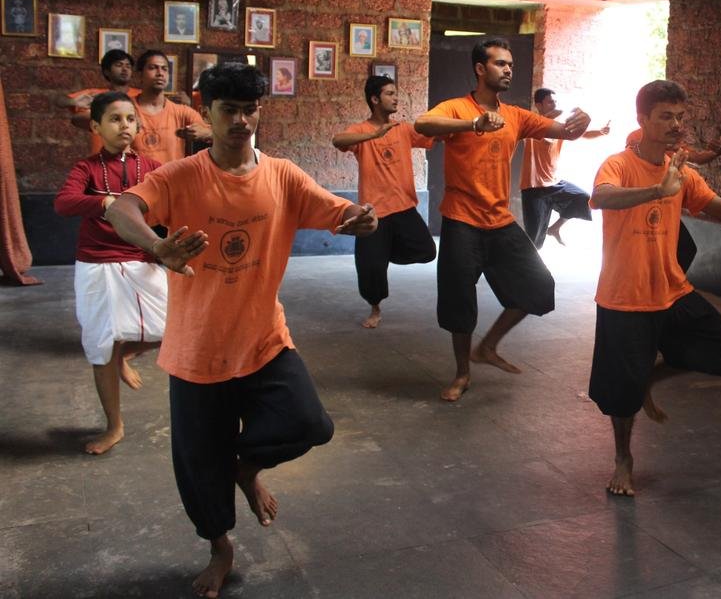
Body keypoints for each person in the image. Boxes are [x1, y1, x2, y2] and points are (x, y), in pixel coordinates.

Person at [106, 63, 378, 598]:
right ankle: (220, 547)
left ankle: (246, 467)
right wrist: (155, 245)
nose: (241, 120)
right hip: (196, 349)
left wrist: (357, 216)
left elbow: (334, 208)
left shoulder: (281, 174)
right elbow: (123, 207)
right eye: (228, 110)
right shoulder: (182, 175)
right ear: (205, 112)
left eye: (250, 109)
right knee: (197, 465)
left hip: (263, 340)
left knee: (309, 423)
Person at [589, 79, 721, 497]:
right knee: (620, 395)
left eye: (681, 117)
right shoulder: (617, 163)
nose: (676, 125)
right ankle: (623, 458)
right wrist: (656, 190)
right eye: (666, 116)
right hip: (625, 294)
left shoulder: (683, 172)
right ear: (643, 119)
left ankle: (648, 380)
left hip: (671, 289)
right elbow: (601, 197)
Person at [414, 37, 591, 402]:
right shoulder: (457, 108)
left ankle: (488, 346)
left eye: (510, 64)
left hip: (499, 221)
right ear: (480, 69)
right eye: (500, 63)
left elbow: (563, 132)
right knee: (459, 303)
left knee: (540, 288)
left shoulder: (516, 116)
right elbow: (423, 123)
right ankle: (462, 373)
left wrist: (579, 123)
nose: (508, 69)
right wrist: (472, 125)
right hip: (462, 220)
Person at [54, 91, 166, 455]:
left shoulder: (148, 168)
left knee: (176, 327)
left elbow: (175, 197)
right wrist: (103, 202)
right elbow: (64, 203)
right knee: (101, 345)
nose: (125, 126)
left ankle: (124, 354)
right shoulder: (85, 168)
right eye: (115, 119)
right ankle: (114, 426)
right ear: (96, 126)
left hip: (141, 258)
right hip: (97, 262)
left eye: (130, 119)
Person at [333, 75, 437, 328]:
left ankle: (384, 252)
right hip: (373, 212)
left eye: (395, 93)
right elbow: (338, 140)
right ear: (375, 99)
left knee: (427, 251)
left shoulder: (403, 128)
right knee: (370, 271)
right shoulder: (360, 130)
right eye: (390, 93)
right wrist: (372, 135)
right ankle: (375, 309)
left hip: (403, 207)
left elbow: (433, 137)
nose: (396, 98)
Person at [625, 126, 721, 272]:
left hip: (663, 208)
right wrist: (663, 144)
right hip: (640, 206)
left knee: (686, 249)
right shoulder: (636, 136)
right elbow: (635, 149)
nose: (674, 122)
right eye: (666, 116)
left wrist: (714, 153)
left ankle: (668, 286)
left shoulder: (673, 143)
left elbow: (696, 158)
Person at [519, 88, 609, 248]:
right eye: (550, 102)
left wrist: (601, 132)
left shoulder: (559, 127)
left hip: (554, 184)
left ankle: (555, 228)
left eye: (556, 101)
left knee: (583, 199)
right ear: (538, 105)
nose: (555, 104)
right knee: (535, 242)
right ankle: (523, 269)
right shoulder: (531, 123)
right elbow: (541, 125)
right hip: (534, 188)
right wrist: (550, 117)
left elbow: (583, 134)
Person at [56, 49, 143, 155]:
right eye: (119, 65)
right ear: (107, 71)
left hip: (136, 158)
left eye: (128, 66)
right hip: (103, 159)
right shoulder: (95, 95)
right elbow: (59, 101)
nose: (124, 69)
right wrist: (73, 101)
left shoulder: (141, 96)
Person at [132, 50, 211, 163]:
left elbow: (217, 135)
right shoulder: (127, 110)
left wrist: (206, 133)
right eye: (153, 68)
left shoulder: (181, 112)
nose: (160, 73)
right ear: (140, 75)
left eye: (164, 69)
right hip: (138, 179)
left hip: (172, 179)